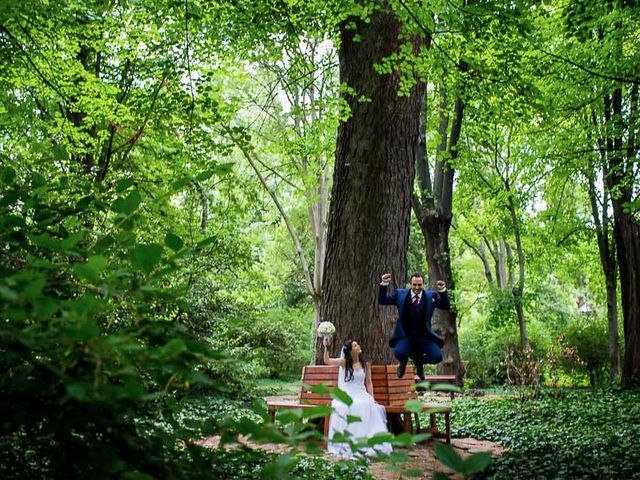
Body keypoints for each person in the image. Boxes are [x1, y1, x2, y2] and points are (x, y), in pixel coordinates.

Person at [323, 338, 392, 458]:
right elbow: (327, 360)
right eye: (355, 346)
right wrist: (326, 347)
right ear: (350, 351)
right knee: (348, 405)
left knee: (367, 403)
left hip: (362, 393)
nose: (358, 346)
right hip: (348, 393)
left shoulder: (365, 364)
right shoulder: (344, 363)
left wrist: (372, 398)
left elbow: (369, 383)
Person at [378, 272, 449, 379]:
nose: (416, 287)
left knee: (437, 357)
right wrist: (384, 283)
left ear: (423, 284)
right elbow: (382, 300)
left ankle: (418, 362)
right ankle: (403, 362)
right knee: (399, 353)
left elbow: (445, 305)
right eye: (414, 284)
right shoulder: (400, 294)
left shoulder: (431, 296)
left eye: (419, 285)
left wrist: (442, 290)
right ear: (410, 284)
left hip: (424, 336)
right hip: (406, 335)